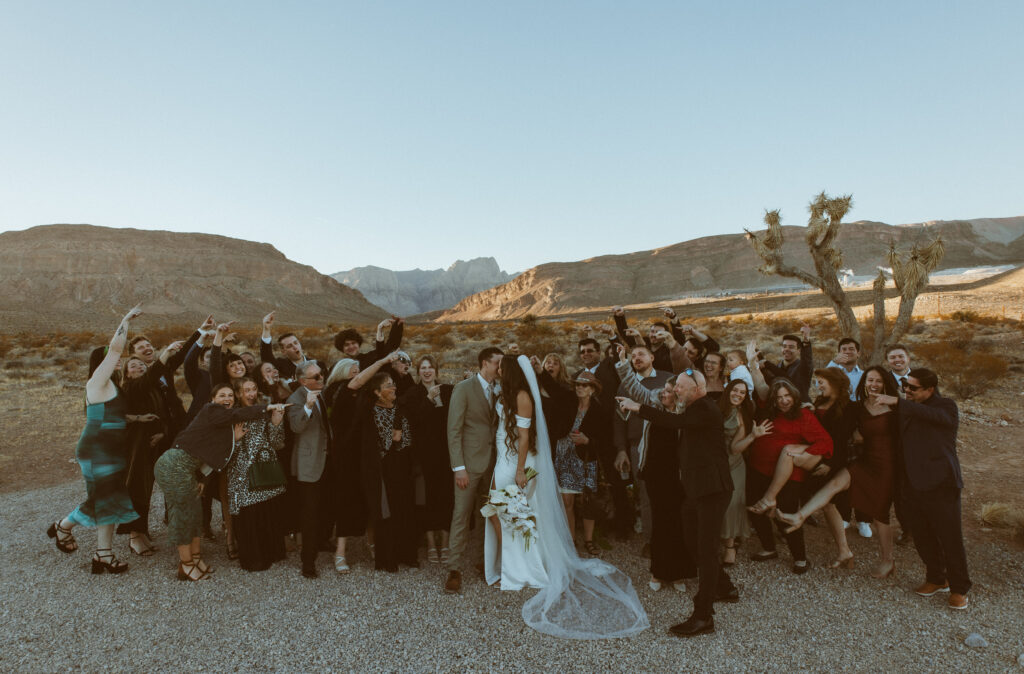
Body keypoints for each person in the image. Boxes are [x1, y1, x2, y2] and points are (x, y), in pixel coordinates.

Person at [487, 355, 648, 639]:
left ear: (509, 371)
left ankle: (525, 567)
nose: (497, 369)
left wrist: (521, 470)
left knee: (513, 512)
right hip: (504, 458)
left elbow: (524, 436)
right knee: (511, 513)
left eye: (501, 367)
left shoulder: (523, 396)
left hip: (517, 462)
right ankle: (516, 564)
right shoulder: (505, 394)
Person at [619, 369, 738, 638]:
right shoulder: (694, 408)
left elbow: (674, 423)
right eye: (675, 389)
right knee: (691, 540)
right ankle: (724, 587)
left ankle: (703, 616)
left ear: (697, 388)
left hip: (713, 491)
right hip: (697, 491)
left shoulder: (704, 409)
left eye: (680, 389)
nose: (675, 393)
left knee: (706, 552)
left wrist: (638, 407)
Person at [154, 382, 286, 581]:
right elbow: (235, 416)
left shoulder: (222, 423)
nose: (227, 399)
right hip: (174, 465)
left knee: (196, 514)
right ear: (213, 399)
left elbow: (215, 457)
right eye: (222, 395)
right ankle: (186, 565)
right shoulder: (211, 410)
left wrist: (202, 478)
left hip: (190, 470)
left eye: (230, 396)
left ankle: (196, 559)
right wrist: (266, 407)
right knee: (184, 514)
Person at [776, 367, 899, 578]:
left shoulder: (881, 407)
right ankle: (803, 519)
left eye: (878, 380)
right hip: (858, 461)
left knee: (878, 513)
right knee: (829, 496)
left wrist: (832, 463)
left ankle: (886, 560)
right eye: (870, 380)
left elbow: (843, 438)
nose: (873, 384)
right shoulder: (856, 405)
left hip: (881, 464)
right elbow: (833, 432)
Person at [48, 306, 144, 575]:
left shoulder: (113, 385)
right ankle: (63, 526)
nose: (117, 359)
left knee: (111, 499)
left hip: (112, 451)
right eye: (109, 357)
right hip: (97, 450)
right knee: (102, 498)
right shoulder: (96, 382)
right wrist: (125, 320)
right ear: (99, 362)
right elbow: (115, 349)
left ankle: (103, 554)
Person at [877, 368, 971, 610]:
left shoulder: (945, 407)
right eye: (905, 386)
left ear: (930, 389)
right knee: (922, 536)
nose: (907, 390)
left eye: (912, 388)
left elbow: (936, 418)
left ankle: (959, 588)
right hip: (912, 484)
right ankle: (936, 579)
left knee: (950, 538)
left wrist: (898, 401)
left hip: (942, 485)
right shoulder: (906, 407)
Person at [613, 346, 693, 591]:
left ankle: (678, 574)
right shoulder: (654, 401)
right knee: (659, 522)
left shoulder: (683, 412)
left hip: (678, 474)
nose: (664, 394)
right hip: (656, 472)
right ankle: (658, 573)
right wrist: (624, 364)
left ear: (678, 394)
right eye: (663, 390)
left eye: (670, 391)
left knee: (678, 523)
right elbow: (635, 389)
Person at [745, 371, 832, 574]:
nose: (784, 401)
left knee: (786, 513)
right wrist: (752, 363)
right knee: (754, 507)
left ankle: (800, 557)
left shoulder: (804, 415)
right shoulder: (768, 409)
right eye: (779, 397)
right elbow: (759, 384)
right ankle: (768, 547)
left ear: (794, 396)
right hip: (759, 468)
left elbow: (825, 442)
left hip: (788, 475)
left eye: (787, 396)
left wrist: (803, 453)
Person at [323, 351, 400, 573]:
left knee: (371, 500)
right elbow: (357, 383)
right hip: (346, 455)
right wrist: (382, 361)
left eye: (360, 370)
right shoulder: (338, 393)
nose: (359, 374)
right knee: (346, 502)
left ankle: (373, 543)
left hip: (366, 454)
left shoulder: (364, 397)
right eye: (354, 371)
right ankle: (340, 552)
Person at [443, 346, 503, 594]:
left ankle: (482, 561)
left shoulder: (500, 390)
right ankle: (454, 569)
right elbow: (453, 430)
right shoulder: (463, 389)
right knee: (461, 515)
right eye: (498, 363)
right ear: (485, 363)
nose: (501, 368)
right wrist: (459, 468)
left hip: (494, 464)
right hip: (468, 465)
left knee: (487, 514)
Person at [534, 361, 605, 557]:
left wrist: (588, 440)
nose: (579, 388)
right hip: (565, 456)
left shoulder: (599, 410)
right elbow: (553, 388)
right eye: (578, 385)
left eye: (584, 385)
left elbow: (605, 439)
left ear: (592, 389)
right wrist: (540, 372)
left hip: (586, 459)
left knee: (588, 501)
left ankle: (589, 541)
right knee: (567, 501)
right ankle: (571, 540)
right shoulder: (568, 400)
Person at [226, 377, 288, 572]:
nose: (251, 394)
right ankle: (253, 558)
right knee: (248, 514)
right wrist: (234, 440)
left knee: (266, 510)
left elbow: (278, 444)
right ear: (238, 394)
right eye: (246, 390)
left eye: (254, 389)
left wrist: (277, 423)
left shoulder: (264, 412)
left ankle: (271, 552)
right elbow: (223, 451)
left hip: (265, 468)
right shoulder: (231, 415)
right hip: (242, 472)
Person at [612, 344, 671, 548]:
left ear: (652, 357)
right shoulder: (624, 385)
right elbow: (619, 420)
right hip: (638, 446)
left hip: (667, 444)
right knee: (646, 494)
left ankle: (673, 538)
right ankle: (652, 540)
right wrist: (621, 449)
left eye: (641, 354)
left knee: (670, 492)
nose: (636, 358)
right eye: (633, 356)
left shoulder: (667, 379)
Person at [360, 372, 418, 571]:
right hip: (382, 469)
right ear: (377, 392)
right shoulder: (371, 413)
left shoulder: (400, 409)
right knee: (387, 512)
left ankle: (407, 555)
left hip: (402, 465)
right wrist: (393, 437)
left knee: (405, 508)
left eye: (393, 384)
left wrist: (398, 438)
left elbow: (405, 439)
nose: (393, 388)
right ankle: (388, 559)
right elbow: (376, 444)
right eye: (388, 385)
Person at [401, 354, 455, 564]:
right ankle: (432, 543)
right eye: (423, 367)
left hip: (445, 454)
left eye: (430, 367)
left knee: (446, 497)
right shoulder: (412, 394)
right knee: (427, 499)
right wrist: (428, 400)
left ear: (436, 371)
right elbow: (412, 422)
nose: (427, 371)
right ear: (418, 372)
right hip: (423, 456)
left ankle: (446, 542)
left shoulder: (447, 390)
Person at [286, 361, 334, 579]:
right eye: (315, 377)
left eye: (321, 375)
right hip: (308, 464)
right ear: (303, 381)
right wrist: (307, 405)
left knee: (325, 506)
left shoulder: (321, 392)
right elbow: (296, 427)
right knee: (309, 514)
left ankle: (321, 542)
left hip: (326, 460)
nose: (320, 379)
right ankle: (308, 561)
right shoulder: (295, 399)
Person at [718, 379, 754, 567]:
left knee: (732, 503)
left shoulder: (741, 415)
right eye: (735, 390)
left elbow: (734, 448)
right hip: (715, 464)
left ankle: (730, 546)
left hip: (735, 465)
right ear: (728, 390)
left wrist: (753, 436)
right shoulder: (716, 409)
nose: (738, 394)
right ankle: (717, 539)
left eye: (743, 393)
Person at [761, 325, 814, 402]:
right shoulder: (779, 366)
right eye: (784, 346)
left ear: (799, 350)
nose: (786, 349)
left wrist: (806, 340)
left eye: (791, 347)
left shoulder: (802, 368)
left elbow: (807, 359)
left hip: (799, 408)